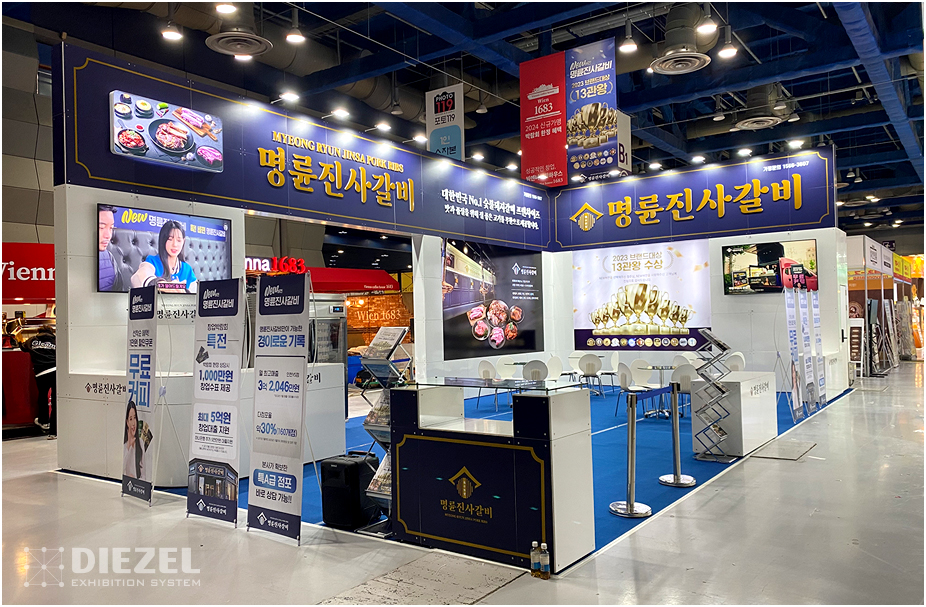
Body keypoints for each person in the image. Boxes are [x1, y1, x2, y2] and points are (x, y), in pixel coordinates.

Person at [131, 220, 198, 293]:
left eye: (179, 240)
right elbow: (139, 277)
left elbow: (196, 292)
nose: (175, 244)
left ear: (183, 241)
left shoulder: (187, 269)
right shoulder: (152, 262)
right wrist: (163, 285)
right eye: (170, 239)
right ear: (163, 240)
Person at [22, 325, 56, 439]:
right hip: (55, 370)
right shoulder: (56, 340)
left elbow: (22, 347)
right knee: (55, 400)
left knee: (42, 396)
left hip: (40, 373)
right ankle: (54, 432)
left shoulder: (32, 340)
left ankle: (44, 422)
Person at [98, 205, 125, 292]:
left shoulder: (109, 257)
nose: (108, 235)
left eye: (111, 228)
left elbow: (119, 290)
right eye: (101, 227)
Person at [123, 400, 144, 480]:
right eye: (131, 419)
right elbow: (121, 468)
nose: (133, 423)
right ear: (127, 422)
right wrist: (128, 446)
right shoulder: (124, 446)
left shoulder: (140, 443)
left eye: (135, 418)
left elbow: (144, 473)